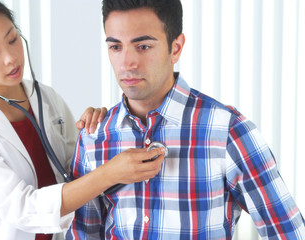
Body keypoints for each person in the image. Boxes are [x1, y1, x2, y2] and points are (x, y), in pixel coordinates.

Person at [67, 0, 305, 239]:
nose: (127, 63)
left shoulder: (227, 131)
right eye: (116, 47)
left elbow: (287, 232)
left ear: (176, 48)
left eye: (143, 46)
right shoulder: (93, 137)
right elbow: (82, 234)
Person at [0, 0, 163, 239]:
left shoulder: (46, 97)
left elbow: (76, 174)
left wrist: (96, 133)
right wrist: (110, 173)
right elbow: (24, 209)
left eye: (13, 39)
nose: (10, 58)